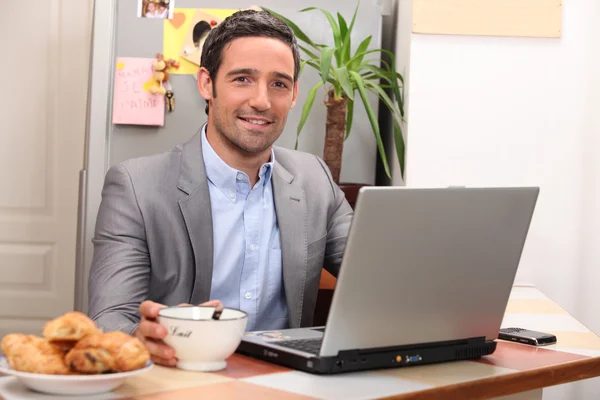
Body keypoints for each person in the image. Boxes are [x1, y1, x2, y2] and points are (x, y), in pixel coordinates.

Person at [87, 9, 353, 367]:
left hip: (284, 383)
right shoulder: (136, 187)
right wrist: (142, 338)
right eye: (243, 79)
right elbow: (110, 321)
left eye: (279, 83)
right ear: (206, 84)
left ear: (293, 95)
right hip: (179, 381)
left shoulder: (314, 179)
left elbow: (382, 275)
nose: (262, 100)